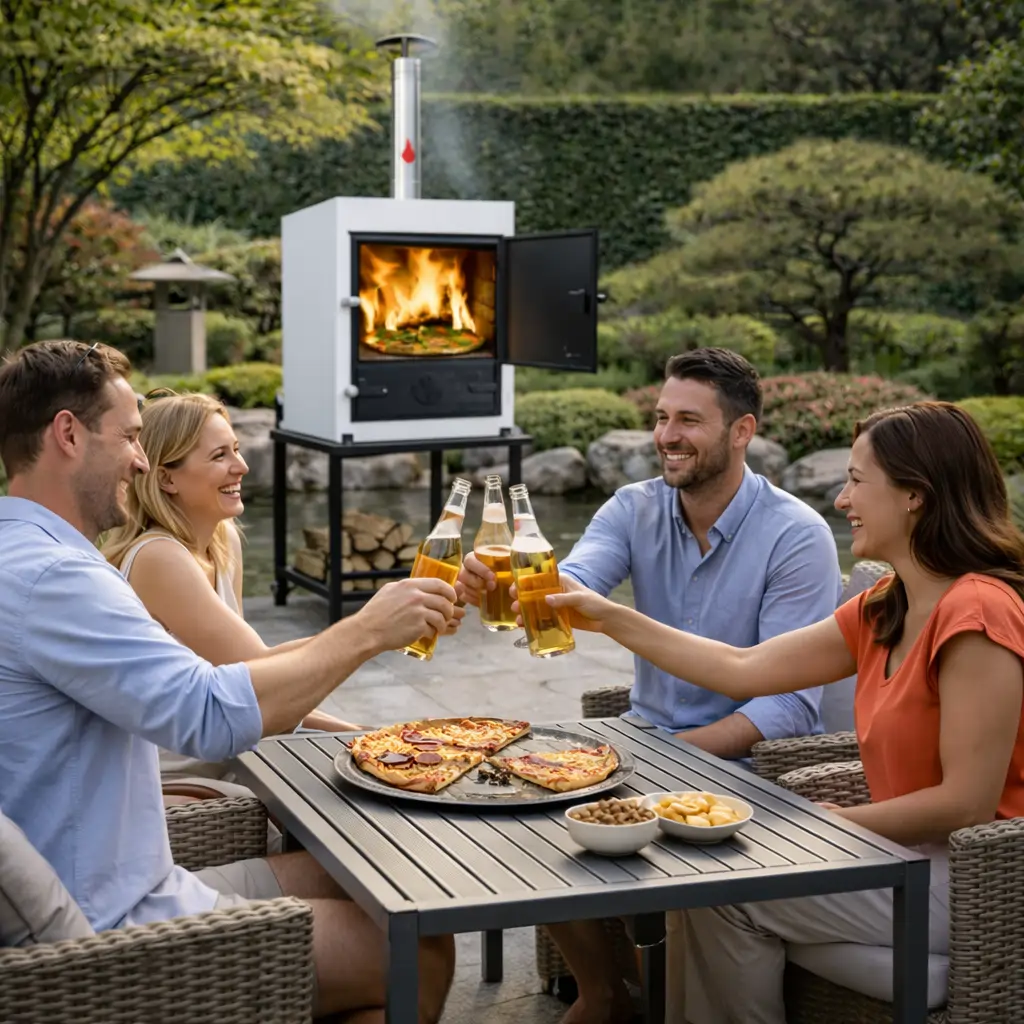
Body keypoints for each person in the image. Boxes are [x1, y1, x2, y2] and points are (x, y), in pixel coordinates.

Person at [0, 341, 458, 1022]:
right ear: (68, 434)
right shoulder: (55, 579)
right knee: (417, 948)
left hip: (130, 873)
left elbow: (216, 674)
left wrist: (378, 619)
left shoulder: (31, 556)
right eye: (128, 435)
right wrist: (366, 632)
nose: (138, 457)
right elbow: (212, 711)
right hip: (113, 926)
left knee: (389, 882)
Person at [543, 401, 1024, 1024]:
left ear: (915, 497)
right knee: (714, 891)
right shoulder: (886, 604)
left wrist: (827, 825)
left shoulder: (979, 614)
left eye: (856, 480)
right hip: (899, 856)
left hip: (977, 879)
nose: (841, 499)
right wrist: (609, 617)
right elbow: (744, 667)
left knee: (717, 893)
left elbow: (967, 803)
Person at [461, 347, 842, 759]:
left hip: (750, 770)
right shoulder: (632, 507)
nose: (666, 436)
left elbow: (787, 706)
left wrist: (660, 758)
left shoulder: (798, 536)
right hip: (644, 739)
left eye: (688, 420)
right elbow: (577, 581)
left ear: (742, 432)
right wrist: (514, 583)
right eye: (662, 417)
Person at [102, 391, 360, 801]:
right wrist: (377, 629)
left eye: (236, 450)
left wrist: (367, 737)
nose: (240, 466)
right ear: (167, 478)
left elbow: (255, 687)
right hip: (172, 787)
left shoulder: (222, 543)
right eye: (219, 455)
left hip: (230, 756)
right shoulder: (157, 557)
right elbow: (259, 676)